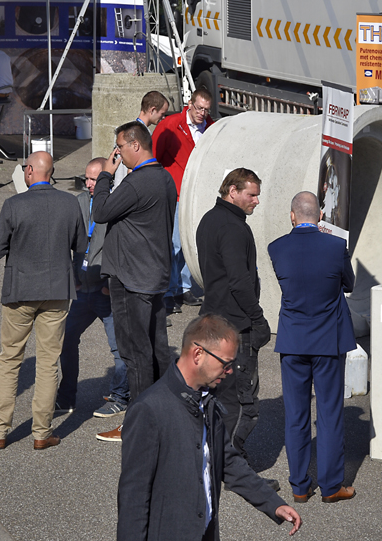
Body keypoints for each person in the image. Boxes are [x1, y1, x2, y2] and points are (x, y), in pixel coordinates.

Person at [117, 314, 301, 540]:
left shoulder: (207, 400)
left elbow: (227, 461)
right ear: (198, 354)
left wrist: (272, 503)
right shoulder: (148, 409)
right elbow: (133, 496)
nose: (230, 371)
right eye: (226, 363)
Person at [0, 151, 86, 450]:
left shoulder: (14, 204)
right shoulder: (70, 202)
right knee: (48, 362)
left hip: (19, 291)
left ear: (29, 171)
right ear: (50, 173)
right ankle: (42, 433)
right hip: (57, 290)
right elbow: (81, 245)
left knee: (9, 360)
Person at [268, 191, 357, 504]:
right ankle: (331, 486)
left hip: (293, 339)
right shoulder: (335, 246)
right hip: (328, 339)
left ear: (292, 216)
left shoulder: (277, 247)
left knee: (296, 415)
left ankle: (299, 486)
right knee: (330, 414)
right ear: (320, 216)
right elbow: (349, 284)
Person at [90, 121, 176, 443]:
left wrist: (105, 175)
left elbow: (100, 211)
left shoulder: (137, 182)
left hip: (131, 279)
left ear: (135, 145)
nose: (118, 153)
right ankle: (164, 417)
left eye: (120, 147)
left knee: (135, 354)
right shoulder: (165, 178)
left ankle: (137, 427)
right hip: (154, 276)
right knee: (157, 351)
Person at [196, 167, 273, 477]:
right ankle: (231, 466)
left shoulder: (209, 219)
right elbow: (239, 281)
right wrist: (258, 319)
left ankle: (214, 459)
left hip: (212, 320)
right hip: (234, 325)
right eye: (251, 195)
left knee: (217, 394)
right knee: (243, 403)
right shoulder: (233, 228)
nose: (256, 201)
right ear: (233, 191)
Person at [55, 158, 130, 419]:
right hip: (81, 289)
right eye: (86, 178)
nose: (88, 184)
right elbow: (63, 241)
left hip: (105, 290)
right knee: (66, 340)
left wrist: (111, 284)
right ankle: (66, 397)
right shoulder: (76, 202)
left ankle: (120, 397)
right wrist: (70, 277)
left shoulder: (116, 204)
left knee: (119, 348)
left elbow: (122, 247)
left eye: (94, 179)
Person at [151, 86, 215, 312]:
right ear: (190, 104)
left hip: (198, 193)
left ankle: (184, 287)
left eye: (206, 110)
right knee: (175, 243)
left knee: (192, 242)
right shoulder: (170, 125)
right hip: (176, 192)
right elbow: (154, 157)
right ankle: (169, 290)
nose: (202, 114)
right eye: (199, 108)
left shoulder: (211, 127)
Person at [112, 90, 170, 189]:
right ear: (153, 110)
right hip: (127, 188)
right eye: (162, 113)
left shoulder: (128, 131)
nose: (163, 117)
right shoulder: (138, 134)